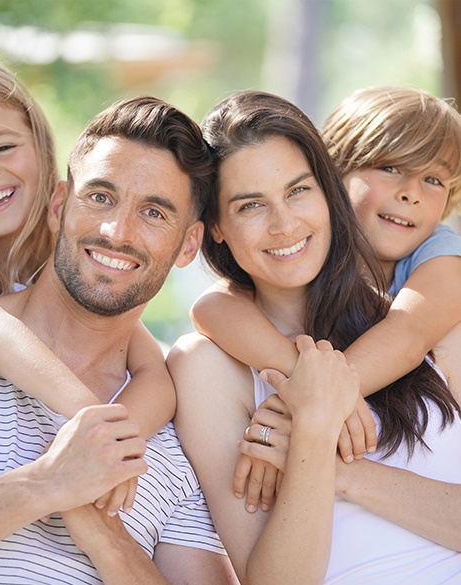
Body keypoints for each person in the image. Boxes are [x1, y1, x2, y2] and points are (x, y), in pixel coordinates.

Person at [0, 95, 238, 584]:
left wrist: (103, 532)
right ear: (57, 205)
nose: (117, 231)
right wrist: (44, 484)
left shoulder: (176, 444)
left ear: (190, 245)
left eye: (154, 213)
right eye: (100, 197)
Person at [167, 90, 461, 584]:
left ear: (328, 193)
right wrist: (317, 426)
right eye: (250, 205)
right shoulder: (207, 364)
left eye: (298, 190)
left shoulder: (428, 318)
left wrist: (327, 455)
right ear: (215, 226)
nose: (284, 225)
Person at [0, 55, 176, 444]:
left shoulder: (75, 238)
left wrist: (120, 444)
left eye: (3, 147)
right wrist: (89, 422)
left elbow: (152, 372)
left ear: (40, 147)